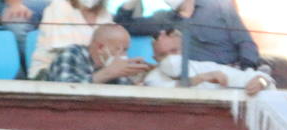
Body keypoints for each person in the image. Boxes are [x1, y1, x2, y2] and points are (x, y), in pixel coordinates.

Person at [114, 0, 259, 71]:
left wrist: (246, 73)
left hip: (231, 76)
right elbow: (124, 24)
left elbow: (245, 43)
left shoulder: (219, 6)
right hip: (194, 84)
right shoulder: (163, 19)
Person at [142, 25, 270, 93]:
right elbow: (165, 90)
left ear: (185, 51)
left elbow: (255, 78)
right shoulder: (152, 78)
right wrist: (201, 79)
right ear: (155, 58)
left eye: (174, 51)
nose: (170, 58)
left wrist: (261, 81)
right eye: (163, 54)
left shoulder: (206, 67)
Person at [40, 22, 148, 83]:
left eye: (126, 50)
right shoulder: (72, 53)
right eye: (121, 50)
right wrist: (108, 73)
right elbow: (65, 90)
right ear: (101, 47)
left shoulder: (116, 69)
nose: (124, 56)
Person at [27, 0, 111, 78]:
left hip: (91, 73)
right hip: (51, 73)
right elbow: (67, 49)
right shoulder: (59, 5)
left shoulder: (105, 14)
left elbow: (111, 50)